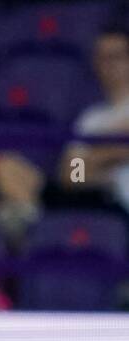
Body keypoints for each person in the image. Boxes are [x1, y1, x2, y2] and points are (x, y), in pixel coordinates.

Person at [63, 25, 129, 211]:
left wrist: (92, 156)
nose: (109, 65)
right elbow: (73, 176)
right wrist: (111, 152)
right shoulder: (90, 120)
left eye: (116, 57)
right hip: (106, 209)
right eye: (102, 58)